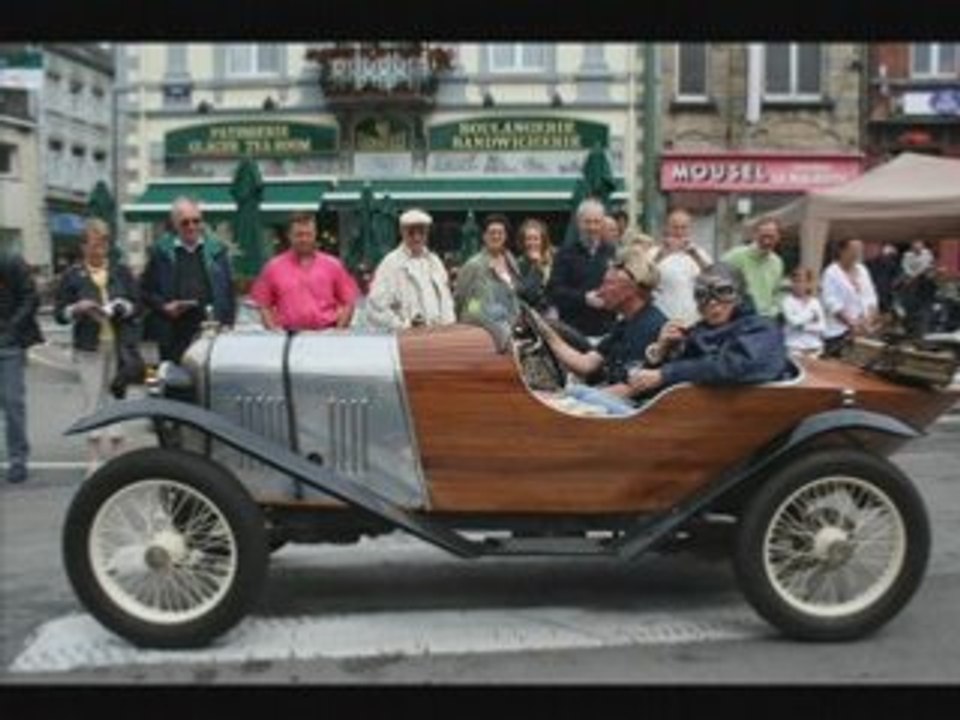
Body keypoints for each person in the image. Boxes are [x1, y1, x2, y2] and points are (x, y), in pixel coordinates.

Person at [533, 246, 667, 415]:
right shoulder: (626, 323)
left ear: (630, 290)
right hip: (619, 404)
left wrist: (563, 399)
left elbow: (628, 390)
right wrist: (542, 329)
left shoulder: (649, 326)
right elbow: (586, 364)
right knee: (574, 391)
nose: (600, 291)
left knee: (577, 393)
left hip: (638, 414)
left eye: (608, 284)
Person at [54, 219, 141, 475]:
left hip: (118, 344)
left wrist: (122, 307)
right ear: (83, 246)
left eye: (103, 243)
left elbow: (137, 304)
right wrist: (76, 309)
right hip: (88, 345)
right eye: (93, 244)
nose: (99, 250)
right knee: (92, 399)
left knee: (116, 396)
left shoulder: (121, 271)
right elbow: (60, 313)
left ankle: (116, 456)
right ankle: (93, 458)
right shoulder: (72, 275)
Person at [629, 263, 787, 396]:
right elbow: (650, 387)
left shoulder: (762, 328)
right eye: (702, 295)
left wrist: (667, 374)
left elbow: (739, 365)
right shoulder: (696, 332)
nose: (712, 302)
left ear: (740, 295)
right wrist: (661, 352)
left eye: (723, 291)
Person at [140, 197, 236, 362]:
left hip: (210, 332)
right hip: (173, 333)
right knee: (172, 383)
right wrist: (164, 306)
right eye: (185, 222)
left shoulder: (217, 251)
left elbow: (228, 291)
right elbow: (145, 291)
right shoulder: (161, 252)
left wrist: (228, 324)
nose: (192, 227)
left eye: (196, 221)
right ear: (175, 224)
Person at [250, 213, 359, 332]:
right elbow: (263, 305)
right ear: (289, 236)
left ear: (315, 235)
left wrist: (338, 331)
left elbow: (348, 302)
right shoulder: (273, 267)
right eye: (299, 235)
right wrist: (273, 332)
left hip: (326, 334)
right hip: (288, 335)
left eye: (308, 234)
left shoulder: (333, 265)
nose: (304, 239)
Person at [365, 208, 456, 330]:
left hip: (438, 336)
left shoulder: (435, 261)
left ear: (427, 233)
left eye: (422, 232)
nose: (417, 238)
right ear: (402, 232)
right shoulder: (390, 263)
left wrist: (449, 326)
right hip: (407, 340)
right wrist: (403, 326)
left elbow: (446, 300)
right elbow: (375, 308)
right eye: (411, 233)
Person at [0, 248, 42, 484]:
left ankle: (18, 459)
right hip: (9, 339)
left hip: (8, 344)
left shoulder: (10, 260)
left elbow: (30, 297)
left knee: (12, 402)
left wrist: (11, 329)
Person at [547, 198, 616, 338]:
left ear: (602, 223)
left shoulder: (612, 252)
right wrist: (583, 298)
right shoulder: (565, 254)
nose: (592, 227)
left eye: (596, 222)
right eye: (587, 222)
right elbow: (554, 291)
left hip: (607, 332)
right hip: (574, 332)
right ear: (579, 223)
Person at [454, 214, 524, 326]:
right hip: (484, 330)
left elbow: (514, 294)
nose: (496, 236)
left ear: (505, 236)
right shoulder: (474, 265)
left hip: (511, 326)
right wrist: (476, 315)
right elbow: (462, 300)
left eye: (500, 233)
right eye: (492, 232)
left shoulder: (511, 260)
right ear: (484, 236)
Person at [820, 237, 880, 357]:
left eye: (859, 250)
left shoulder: (863, 270)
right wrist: (852, 324)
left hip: (863, 330)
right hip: (838, 332)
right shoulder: (831, 272)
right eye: (854, 249)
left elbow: (871, 297)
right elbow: (831, 303)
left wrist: (868, 320)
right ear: (842, 251)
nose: (857, 253)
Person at [651, 207, 712, 327]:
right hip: (662, 318)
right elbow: (643, 279)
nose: (679, 232)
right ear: (667, 228)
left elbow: (713, 277)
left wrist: (695, 256)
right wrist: (663, 255)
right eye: (675, 227)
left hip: (693, 320)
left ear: (690, 229)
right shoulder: (654, 252)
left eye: (683, 227)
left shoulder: (699, 253)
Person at [722, 216, 785, 319]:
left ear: (778, 237)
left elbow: (777, 292)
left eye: (771, 237)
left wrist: (775, 310)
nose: (767, 241)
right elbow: (716, 280)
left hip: (765, 319)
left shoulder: (777, 262)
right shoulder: (735, 256)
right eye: (763, 236)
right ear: (754, 235)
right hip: (738, 318)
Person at [781, 267, 826, 357]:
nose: (798, 285)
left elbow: (822, 327)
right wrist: (811, 315)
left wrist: (803, 327)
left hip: (814, 348)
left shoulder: (815, 302)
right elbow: (794, 322)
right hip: (794, 348)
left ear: (808, 284)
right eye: (795, 281)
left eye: (802, 281)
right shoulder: (787, 301)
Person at [515, 218, 554, 313]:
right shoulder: (518, 264)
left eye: (536, 239)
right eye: (528, 239)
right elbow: (526, 295)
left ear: (543, 241)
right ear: (523, 242)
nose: (532, 243)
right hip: (528, 314)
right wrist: (536, 268)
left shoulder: (555, 259)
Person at [899, 239, 937, 337]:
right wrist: (912, 277)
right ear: (912, 248)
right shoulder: (907, 255)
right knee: (910, 308)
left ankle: (922, 331)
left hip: (923, 285)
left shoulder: (927, 254)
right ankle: (910, 330)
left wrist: (919, 275)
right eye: (915, 248)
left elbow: (926, 266)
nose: (917, 250)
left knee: (924, 310)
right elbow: (905, 267)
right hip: (911, 281)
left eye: (919, 248)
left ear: (922, 247)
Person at [866, 242, 901, 317]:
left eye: (874, 248)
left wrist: (895, 283)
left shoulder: (889, 262)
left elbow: (898, 274)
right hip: (872, 297)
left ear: (880, 249)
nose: (871, 250)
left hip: (885, 295)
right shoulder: (866, 265)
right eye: (869, 248)